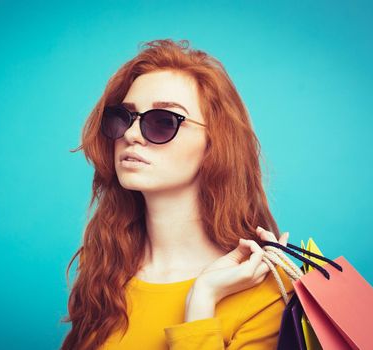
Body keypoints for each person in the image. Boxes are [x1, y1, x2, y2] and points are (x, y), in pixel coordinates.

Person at [61, 39, 294, 350]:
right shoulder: (106, 264)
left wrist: (202, 300)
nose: (130, 135)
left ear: (215, 145)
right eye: (124, 117)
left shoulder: (265, 291)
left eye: (162, 122)